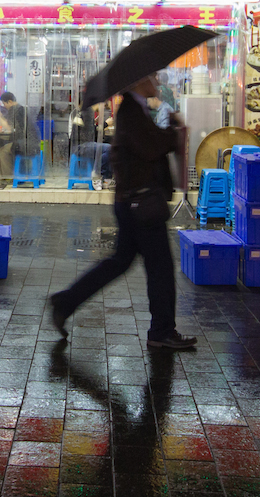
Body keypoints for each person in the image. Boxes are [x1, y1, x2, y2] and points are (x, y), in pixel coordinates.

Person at [50, 74, 197, 350]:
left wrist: (169, 131)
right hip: (140, 203)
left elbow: (147, 145)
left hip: (134, 201)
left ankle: (65, 302)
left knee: (119, 262)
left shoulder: (136, 108)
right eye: (152, 77)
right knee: (161, 268)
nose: (156, 82)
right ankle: (161, 331)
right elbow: (150, 147)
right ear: (138, 80)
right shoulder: (131, 110)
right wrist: (173, 130)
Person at [0, 92, 40, 177]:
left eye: (4, 103)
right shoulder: (21, 108)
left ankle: (8, 177)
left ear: (10, 101)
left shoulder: (14, 109)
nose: (4, 106)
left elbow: (9, 128)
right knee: (6, 147)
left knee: (3, 151)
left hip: (25, 144)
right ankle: (16, 173)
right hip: (32, 142)